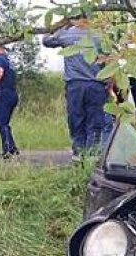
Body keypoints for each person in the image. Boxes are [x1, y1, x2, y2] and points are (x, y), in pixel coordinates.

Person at [42, 17, 107, 157]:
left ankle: (78, 153)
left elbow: (46, 41)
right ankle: (93, 154)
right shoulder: (99, 35)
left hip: (75, 85)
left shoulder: (67, 34)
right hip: (96, 84)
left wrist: (59, 25)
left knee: (76, 119)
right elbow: (109, 58)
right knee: (95, 121)